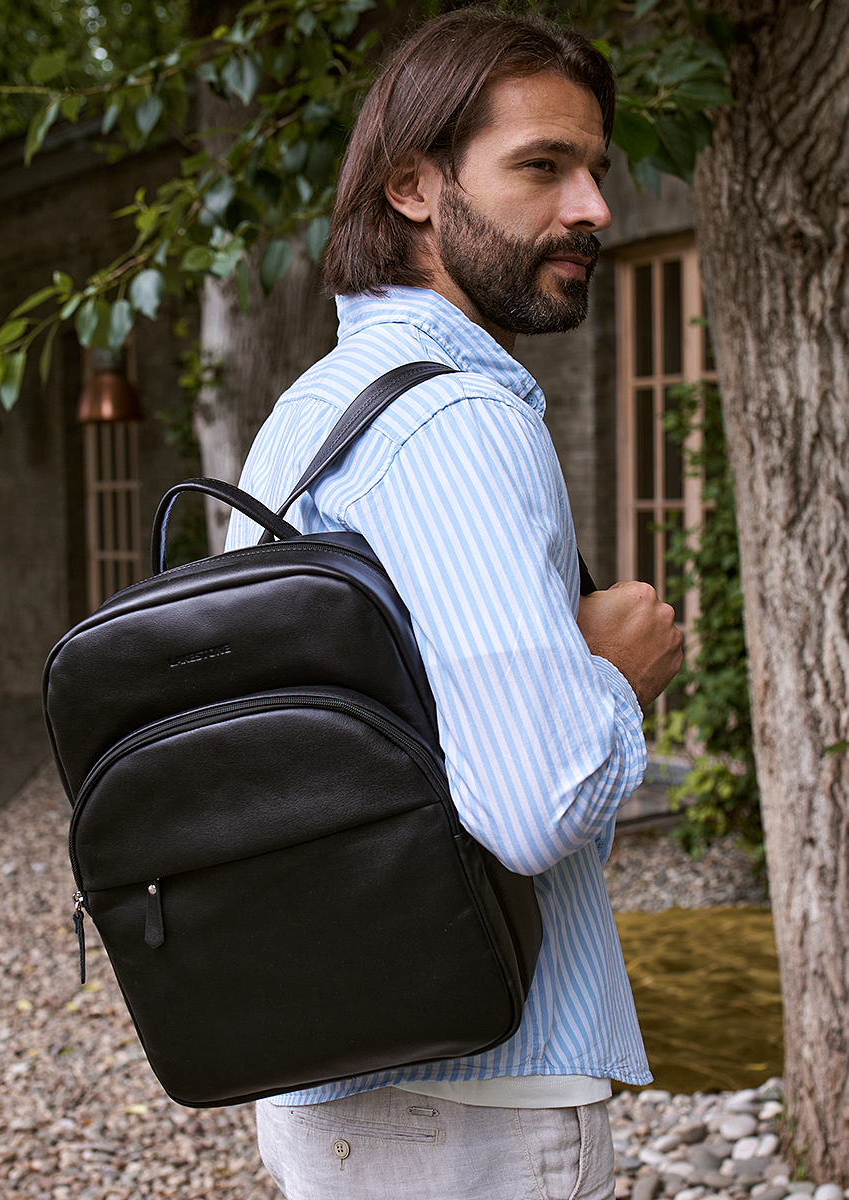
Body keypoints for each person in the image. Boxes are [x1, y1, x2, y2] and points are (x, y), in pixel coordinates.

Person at [225, 7, 683, 1198]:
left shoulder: (312, 411)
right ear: (413, 185)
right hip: (474, 1100)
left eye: (595, 168)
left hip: (327, 1056)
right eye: (543, 166)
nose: (594, 207)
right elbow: (532, 808)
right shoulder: (458, 420)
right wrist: (615, 678)